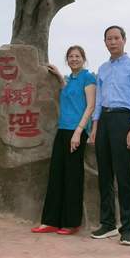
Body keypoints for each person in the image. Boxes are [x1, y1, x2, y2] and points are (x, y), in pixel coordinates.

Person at [31, 45, 96, 235]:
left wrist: (79, 132)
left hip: (77, 132)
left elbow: (90, 107)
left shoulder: (88, 77)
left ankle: (71, 223)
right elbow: (68, 93)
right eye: (70, 56)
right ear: (67, 60)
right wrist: (59, 76)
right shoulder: (69, 80)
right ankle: (50, 221)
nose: (74, 59)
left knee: (72, 177)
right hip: (62, 131)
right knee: (56, 175)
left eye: (77, 56)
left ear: (83, 59)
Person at [90, 25, 130, 246]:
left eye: (116, 38)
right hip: (104, 120)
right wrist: (95, 126)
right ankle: (108, 223)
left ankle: (128, 228)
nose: (112, 42)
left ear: (124, 40)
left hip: (124, 120)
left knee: (124, 176)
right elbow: (99, 99)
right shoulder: (102, 69)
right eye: (108, 39)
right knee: (104, 174)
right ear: (105, 43)